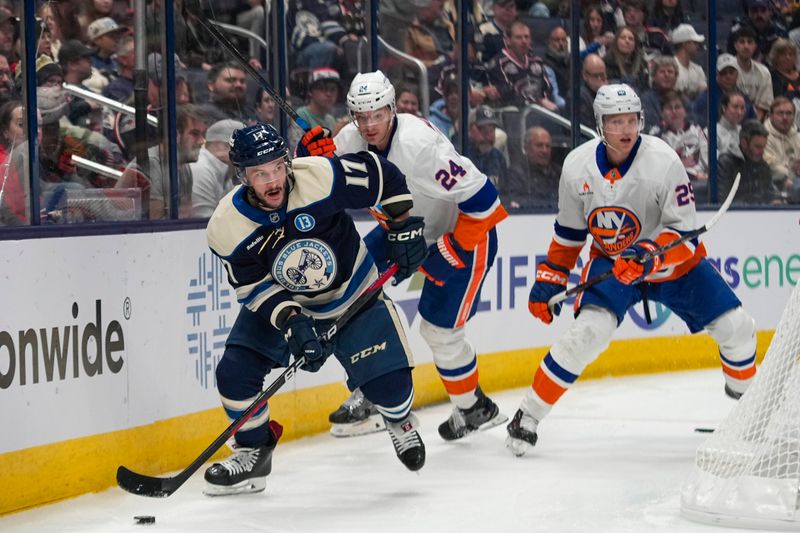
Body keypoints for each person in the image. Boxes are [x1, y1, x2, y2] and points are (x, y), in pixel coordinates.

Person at [506, 83, 759, 457]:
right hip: (611, 260)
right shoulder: (577, 166)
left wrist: (650, 253)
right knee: (587, 333)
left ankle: (747, 406)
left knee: (737, 328)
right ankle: (527, 416)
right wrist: (550, 278)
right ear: (599, 124)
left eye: (630, 120)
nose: (625, 129)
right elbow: (570, 234)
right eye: (615, 122)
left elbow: (686, 235)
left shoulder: (664, 162)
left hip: (672, 265)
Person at [203, 122, 428, 494]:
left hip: (354, 293)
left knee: (392, 388)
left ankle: (400, 421)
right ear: (242, 176)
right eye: (260, 174)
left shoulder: (321, 177)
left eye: (277, 167)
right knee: (234, 373)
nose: (272, 181)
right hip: (290, 305)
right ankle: (253, 453)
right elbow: (254, 288)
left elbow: (383, 176)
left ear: (288, 162)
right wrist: (292, 322)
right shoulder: (227, 226)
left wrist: (402, 227)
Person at [332, 70, 510, 441]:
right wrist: (311, 157)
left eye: (377, 114)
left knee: (438, 329)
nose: (368, 125)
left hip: (460, 233)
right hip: (401, 230)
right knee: (351, 291)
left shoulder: (419, 147)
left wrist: (452, 248)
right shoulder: (348, 140)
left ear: (392, 109)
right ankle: (377, 389)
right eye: (360, 116)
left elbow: (486, 201)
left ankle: (473, 408)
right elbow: (323, 189)